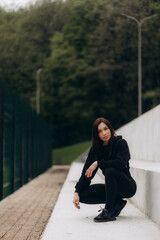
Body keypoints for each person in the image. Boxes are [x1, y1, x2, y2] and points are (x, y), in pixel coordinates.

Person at [73, 117, 137, 222]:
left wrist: (98, 163)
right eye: (100, 131)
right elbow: (87, 173)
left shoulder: (121, 143)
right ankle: (117, 203)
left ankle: (109, 211)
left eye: (106, 128)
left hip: (127, 186)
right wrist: (77, 191)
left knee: (110, 171)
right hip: (113, 188)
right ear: (96, 135)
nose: (104, 133)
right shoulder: (95, 150)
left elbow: (120, 164)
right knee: (82, 195)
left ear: (110, 129)